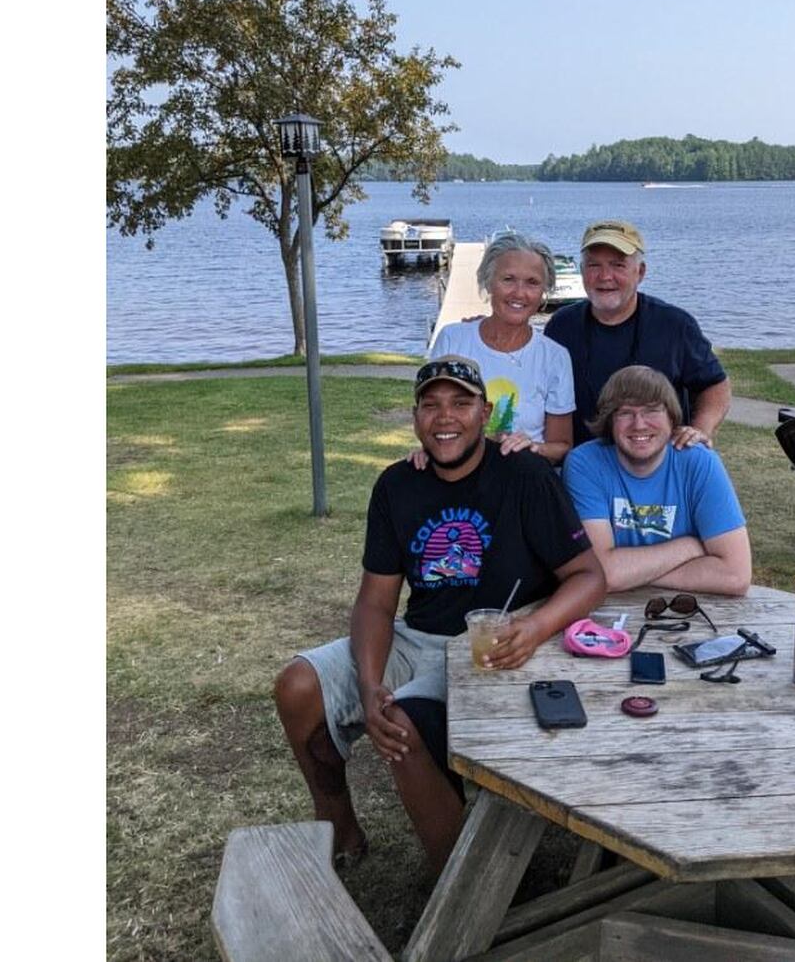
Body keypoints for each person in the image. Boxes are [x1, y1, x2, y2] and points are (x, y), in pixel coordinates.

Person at [273, 356, 605, 876]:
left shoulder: (526, 475)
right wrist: (367, 684)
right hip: (418, 635)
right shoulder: (397, 485)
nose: (444, 417)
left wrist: (536, 627)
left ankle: (458, 883)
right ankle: (336, 819)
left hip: (489, 644)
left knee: (404, 724)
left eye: (460, 403)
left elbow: (588, 575)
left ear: (485, 412)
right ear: (415, 417)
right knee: (297, 686)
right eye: (430, 405)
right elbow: (376, 602)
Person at [564, 365, 751, 595]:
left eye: (652, 411)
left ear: (672, 417)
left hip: (690, 608)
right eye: (625, 413)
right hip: (605, 615)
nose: (639, 423)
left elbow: (736, 575)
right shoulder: (585, 464)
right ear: (609, 421)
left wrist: (631, 573)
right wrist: (689, 547)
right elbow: (601, 571)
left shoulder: (699, 462)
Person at [545, 219, 731, 450]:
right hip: (583, 466)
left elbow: (715, 385)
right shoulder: (561, 326)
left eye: (618, 265)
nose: (605, 276)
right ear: (582, 271)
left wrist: (700, 430)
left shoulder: (674, 325)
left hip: (657, 463)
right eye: (594, 265)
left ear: (640, 272)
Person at [424, 231, 574, 465]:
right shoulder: (453, 340)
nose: (519, 293)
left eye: (532, 282)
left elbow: (562, 447)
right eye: (508, 279)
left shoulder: (555, 357)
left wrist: (531, 448)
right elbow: (430, 417)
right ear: (489, 281)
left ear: (544, 291)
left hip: (523, 480)